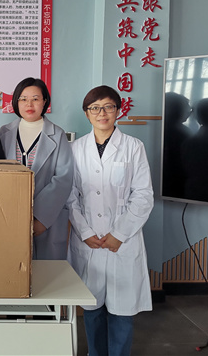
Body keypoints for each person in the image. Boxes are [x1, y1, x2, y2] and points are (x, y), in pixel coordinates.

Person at [67, 85, 154, 356]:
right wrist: (84, 232)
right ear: (87, 113)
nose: (102, 113)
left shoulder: (133, 147)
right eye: (95, 108)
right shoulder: (76, 148)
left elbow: (143, 195)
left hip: (122, 240)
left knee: (122, 311)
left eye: (108, 107)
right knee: (92, 308)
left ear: (118, 110)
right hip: (89, 239)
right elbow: (70, 196)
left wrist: (120, 234)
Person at [0, 77, 74, 260]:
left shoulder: (58, 135)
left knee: (46, 270)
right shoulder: (4, 133)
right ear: (16, 102)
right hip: (9, 213)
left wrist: (40, 218)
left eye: (35, 98)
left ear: (44, 101)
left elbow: (63, 178)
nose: (29, 104)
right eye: (23, 99)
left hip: (47, 219)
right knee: (12, 266)